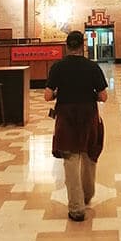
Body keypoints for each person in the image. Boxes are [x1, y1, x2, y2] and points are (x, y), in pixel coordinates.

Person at [44, 30, 108, 222]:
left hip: (66, 116)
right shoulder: (92, 67)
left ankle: (76, 208)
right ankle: (87, 195)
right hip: (88, 115)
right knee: (89, 155)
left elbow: (47, 95)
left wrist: (58, 94)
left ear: (66, 45)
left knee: (71, 160)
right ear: (83, 45)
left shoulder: (58, 67)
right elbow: (104, 96)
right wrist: (92, 95)